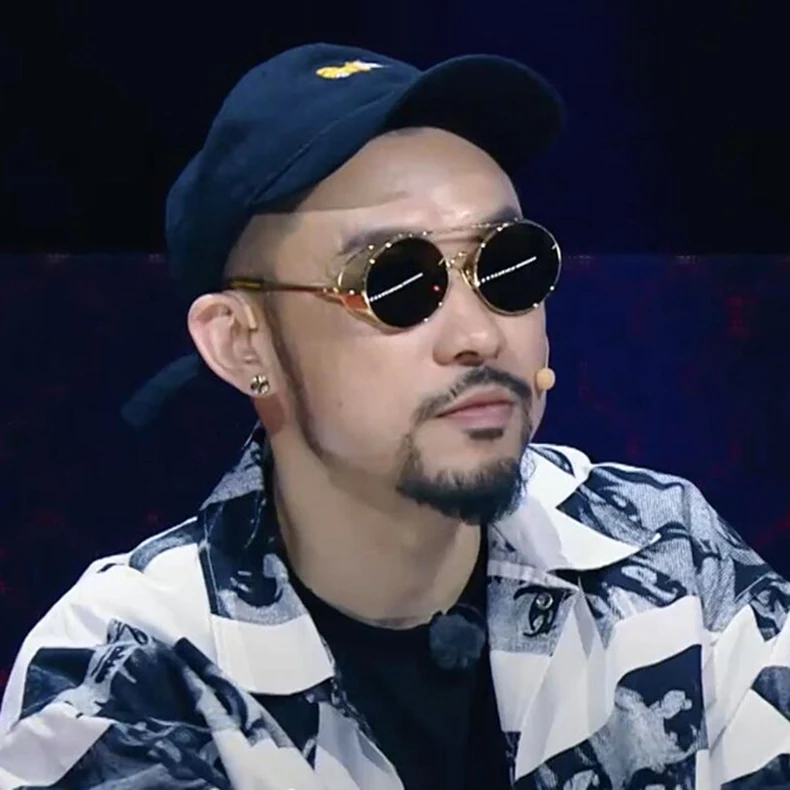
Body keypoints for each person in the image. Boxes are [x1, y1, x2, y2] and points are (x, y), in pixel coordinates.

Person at [0, 41, 788, 790]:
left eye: (508, 266)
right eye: (398, 283)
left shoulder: (667, 556)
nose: (480, 335)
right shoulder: (125, 668)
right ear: (242, 344)